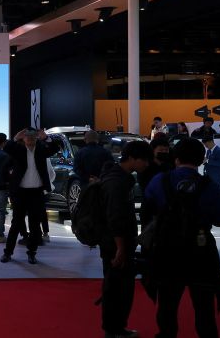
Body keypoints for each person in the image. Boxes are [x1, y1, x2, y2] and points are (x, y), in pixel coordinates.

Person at [144, 138, 220, 338]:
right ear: (201, 160)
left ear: (175, 158)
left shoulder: (159, 181)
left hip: (166, 251)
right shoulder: (212, 187)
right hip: (201, 252)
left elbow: (147, 213)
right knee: (204, 307)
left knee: (167, 304)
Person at [96, 140, 152, 338]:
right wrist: (120, 247)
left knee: (118, 287)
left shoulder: (119, 177)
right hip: (115, 244)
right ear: (133, 158)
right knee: (117, 289)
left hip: (117, 242)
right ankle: (114, 329)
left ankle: (116, 328)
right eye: (144, 160)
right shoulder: (116, 182)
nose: (147, 164)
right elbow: (115, 217)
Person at [1, 128, 60, 265]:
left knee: (34, 225)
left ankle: (32, 253)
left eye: (33, 137)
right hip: (20, 193)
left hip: (36, 193)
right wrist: (15, 138)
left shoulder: (41, 151)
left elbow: (55, 148)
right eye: (27, 137)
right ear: (23, 138)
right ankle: (8, 253)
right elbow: (7, 148)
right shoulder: (18, 150)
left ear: (37, 138)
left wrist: (46, 138)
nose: (30, 139)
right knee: (16, 223)